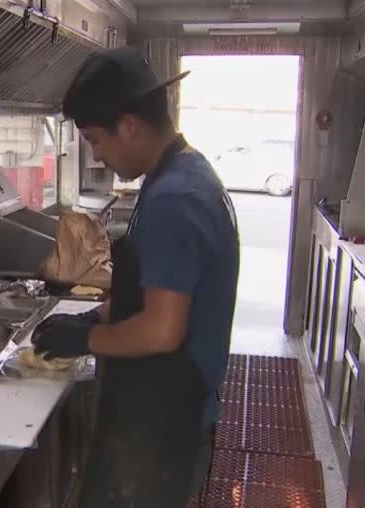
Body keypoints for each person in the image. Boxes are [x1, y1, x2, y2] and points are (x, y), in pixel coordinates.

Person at [32, 47, 240, 507]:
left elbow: (161, 329)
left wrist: (85, 340)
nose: (96, 155)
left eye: (95, 140)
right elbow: (160, 297)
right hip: (167, 417)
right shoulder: (185, 173)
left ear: (129, 125)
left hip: (160, 431)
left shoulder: (175, 200)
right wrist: (95, 317)